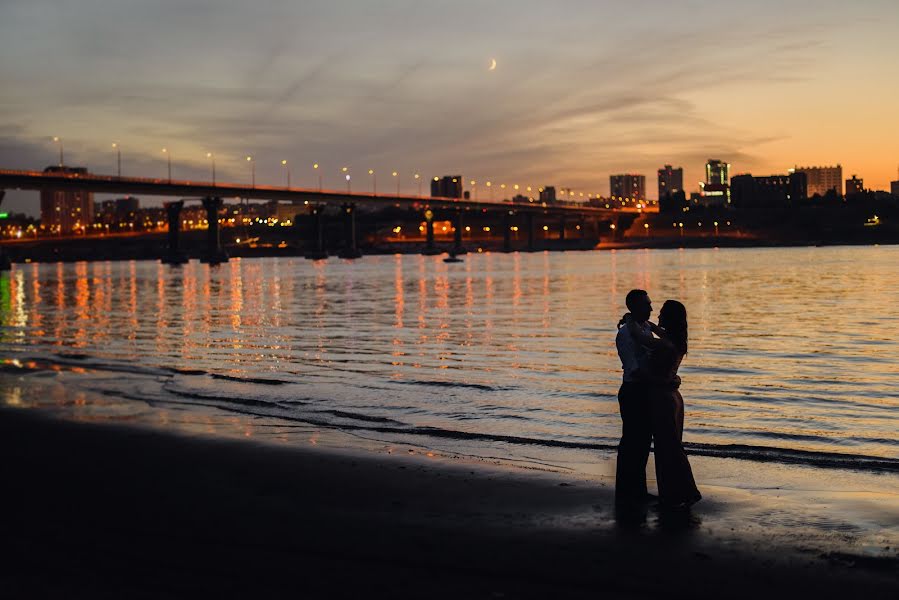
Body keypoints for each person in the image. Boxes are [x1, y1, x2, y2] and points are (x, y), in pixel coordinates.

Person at [624, 300, 701, 509]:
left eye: (661, 314)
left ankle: (677, 494)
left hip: (662, 399)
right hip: (674, 397)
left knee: (667, 448)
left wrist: (631, 320)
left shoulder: (665, 344)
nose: (657, 317)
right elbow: (656, 331)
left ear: (669, 318)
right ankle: (683, 492)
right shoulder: (676, 340)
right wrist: (648, 324)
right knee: (674, 446)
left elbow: (640, 338)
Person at [614, 289, 654, 505]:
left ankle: (638, 490)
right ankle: (627, 491)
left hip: (645, 391)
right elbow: (634, 369)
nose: (651, 308)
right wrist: (662, 382)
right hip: (633, 392)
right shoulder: (626, 334)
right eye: (646, 305)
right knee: (632, 443)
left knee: (643, 443)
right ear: (634, 307)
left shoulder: (646, 327)